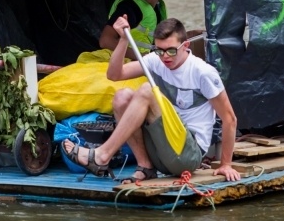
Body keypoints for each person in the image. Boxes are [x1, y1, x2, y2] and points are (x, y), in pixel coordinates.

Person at [63, 16, 241, 183]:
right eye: (159, 50)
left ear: (185, 45)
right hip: (161, 153)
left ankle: (102, 155)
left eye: (171, 51)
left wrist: (226, 164)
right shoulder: (156, 61)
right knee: (122, 97)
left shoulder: (202, 72)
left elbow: (229, 119)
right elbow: (114, 75)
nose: (165, 57)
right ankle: (145, 166)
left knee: (147, 90)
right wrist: (124, 40)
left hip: (188, 154)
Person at [99, 0, 168, 60]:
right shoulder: (129, 8)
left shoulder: (158, 10)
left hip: (142, 61)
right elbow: (105, 40)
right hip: (120, 61)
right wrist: (141, 57)